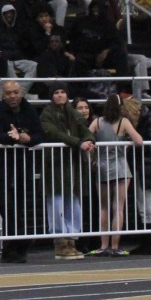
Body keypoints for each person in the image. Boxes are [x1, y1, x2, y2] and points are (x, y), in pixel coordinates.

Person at [0, 80, 44, 263]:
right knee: (7, 208)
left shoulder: (29, 109)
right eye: (9, 93)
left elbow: (39, 134)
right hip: (0, 168)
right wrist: (14, 138)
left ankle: (18, 247)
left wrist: (27, 139)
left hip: (21, 167)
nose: (12, 96)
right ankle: (13, 247)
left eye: (16, 92)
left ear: (22, 93)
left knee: (20, 207)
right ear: (3, 95)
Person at [39, 84, 93, 260]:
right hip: (55, 163)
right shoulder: (47, 113)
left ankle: (72, 239)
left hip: (73, 164)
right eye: (56, 92)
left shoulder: (73, 113)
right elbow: (53, 133)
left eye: (63, 92)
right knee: (56, 203)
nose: (60, 95)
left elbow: (85, 129)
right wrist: (78, 143)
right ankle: (60, 241)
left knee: (73, 202)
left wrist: (89, 140)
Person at [88, 92, 144, 256]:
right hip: (120, 167)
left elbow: (87, 137)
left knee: (104, 208)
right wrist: (126, 142)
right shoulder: (123, 122)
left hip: (102, 167)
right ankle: (114, 246)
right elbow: (139, 141)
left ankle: (103, 245)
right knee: (118, 207)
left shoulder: (97, 122)